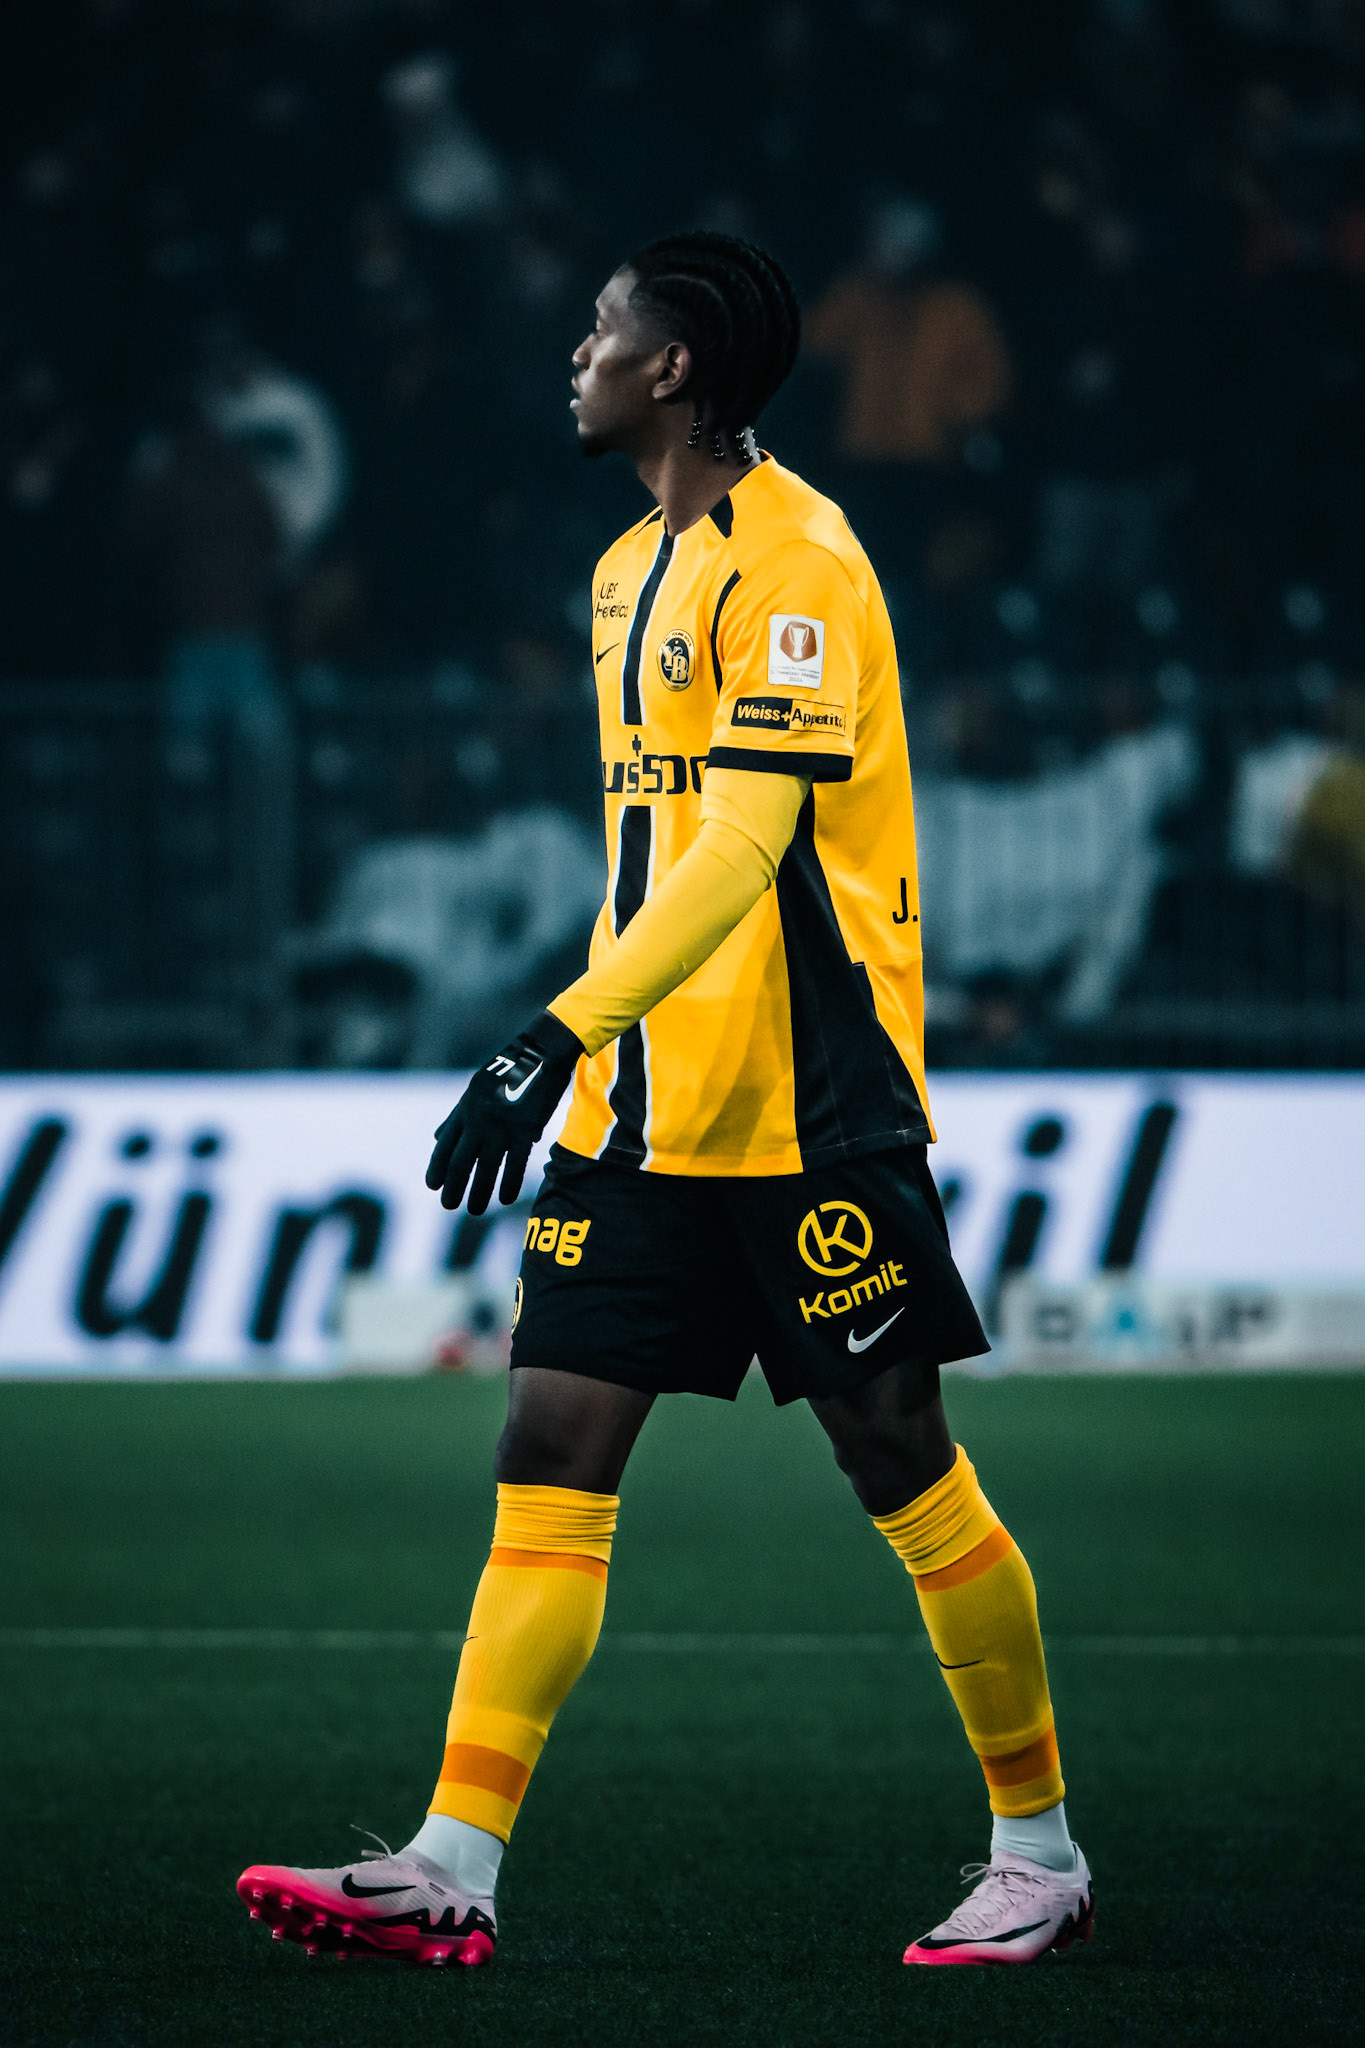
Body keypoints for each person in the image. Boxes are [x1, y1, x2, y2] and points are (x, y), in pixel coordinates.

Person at [237, 231, 1093, 1971]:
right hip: (640, 1110)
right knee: (548, 1444)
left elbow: (745, 843)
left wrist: (540, 1033)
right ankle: (449, 1863)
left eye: (603, 331)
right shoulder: (627, 567)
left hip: (805, 1104)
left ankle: (1040, 1856)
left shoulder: (802, 566)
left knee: (897, 1456)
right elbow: (647, 864)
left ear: (677, 372)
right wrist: (582, 1050)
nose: (577, 351)